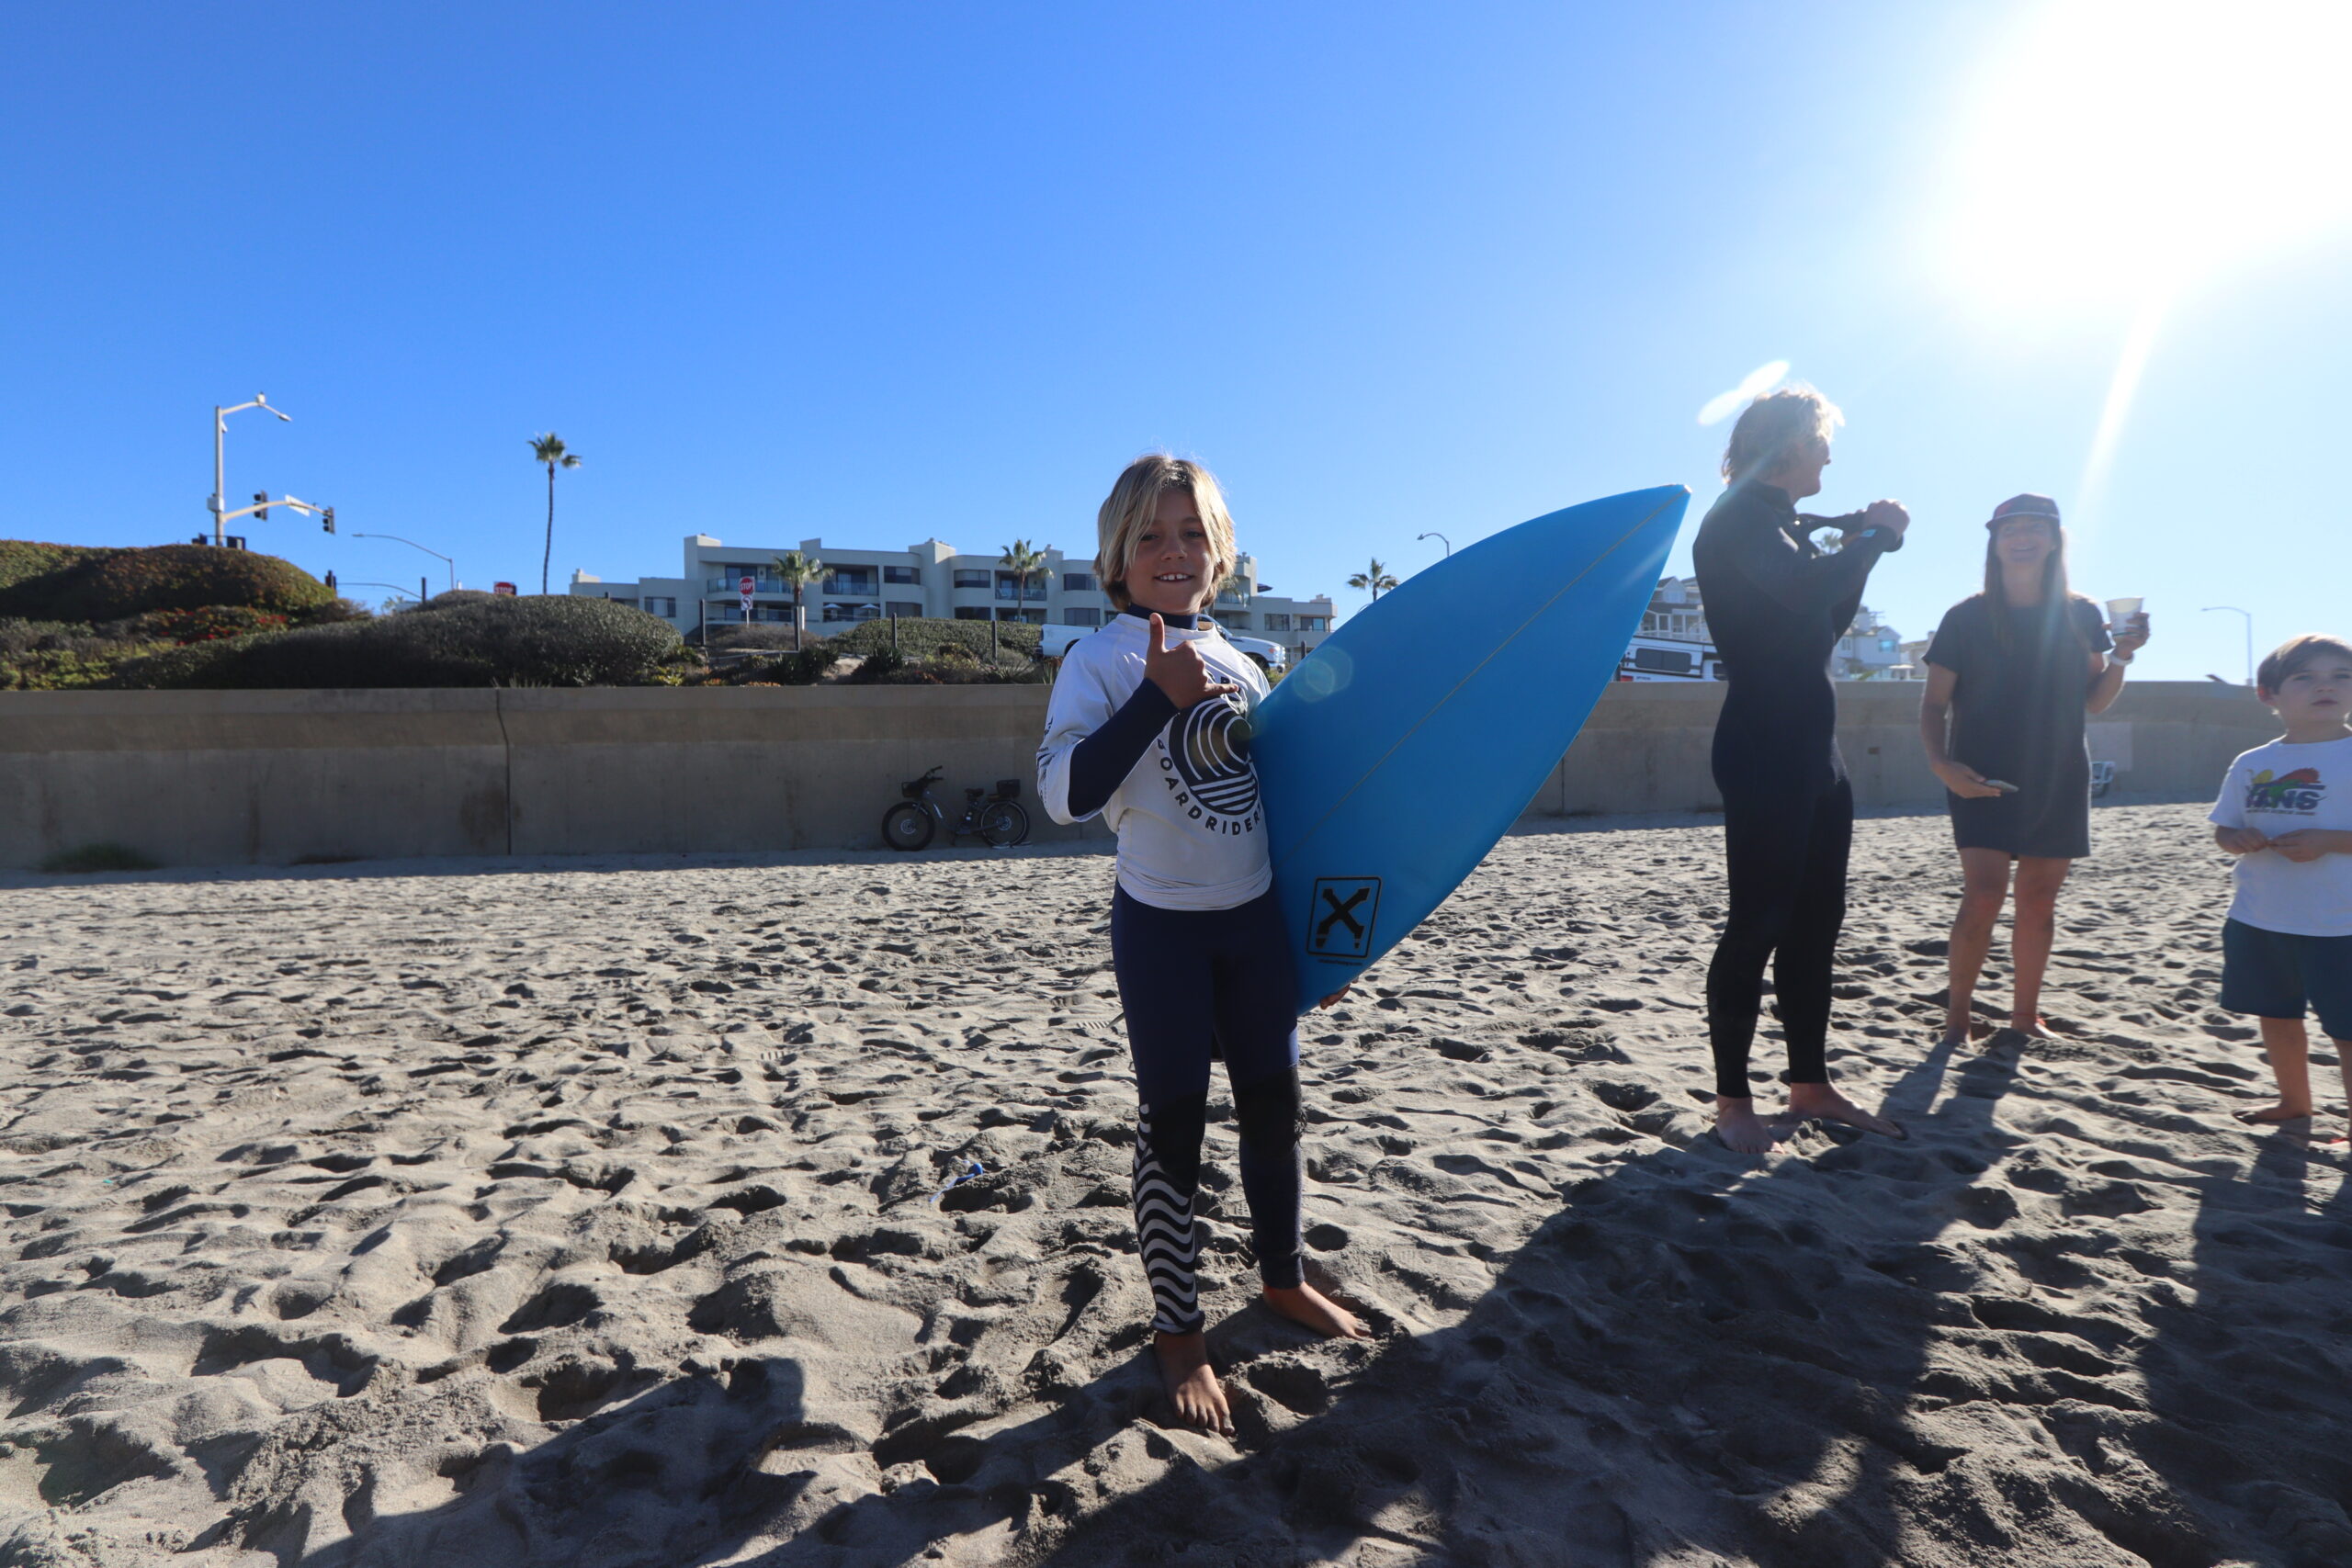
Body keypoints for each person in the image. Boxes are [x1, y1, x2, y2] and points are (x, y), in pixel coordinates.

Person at [1036, 454, 1365, 1435]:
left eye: (1191, 535)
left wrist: (1323, 944)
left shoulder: (1247, 662)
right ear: (1117, 557)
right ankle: (1178, 1336)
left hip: (1256, 922)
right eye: (1151, 537)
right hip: (1163, 929)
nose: (1172, 553)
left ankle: (1280, 1280)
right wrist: (1154, 698)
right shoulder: (1096, 661)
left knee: (1275, 1110)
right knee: (1172, 1127)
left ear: (1219, 555)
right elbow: (1064, 797)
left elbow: (1284, 812)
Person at [1691, 387, 1911, 1154]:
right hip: (1763, 747)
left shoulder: (1780, 527)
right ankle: (1732, 1101)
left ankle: (1809, 1084)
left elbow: (1821, 619)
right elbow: (1798, 590)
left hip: (1817, 752)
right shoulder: (1737, 519)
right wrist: (1876, 536)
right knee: (1758, 923)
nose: (1829, 456)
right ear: (1788, 443)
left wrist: (1864, 549)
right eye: (1822, 442)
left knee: (1816, 926)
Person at [1917, 495, 2149, 1047]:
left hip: (2059, 773)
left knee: (2040, 899)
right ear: (1994, 542)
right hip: (1981, 773)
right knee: (1983, 895)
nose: (2021, 537)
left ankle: (2025, 1017)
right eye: (2009, 529)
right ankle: (1957, 1017)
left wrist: (2121, 657)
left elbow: (2093, 701)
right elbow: (1932, 706)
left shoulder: (2082, 614)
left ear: (2054, 539)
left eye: (2034, 528)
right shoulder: (1965, 617)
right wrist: (1943, 765)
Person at [2208, 634, 2352, 1132]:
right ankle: (2295, 1102)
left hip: (2341, 923)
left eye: (2341, 676)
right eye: (2306, 677)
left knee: (2348, 1030)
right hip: (2260, 916)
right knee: (2277, 1015)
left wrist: (2330, 841)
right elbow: (2223, 829)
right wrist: (2238, 838)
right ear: (2268, 694)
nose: (2325, 686)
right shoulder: (2250, 762)